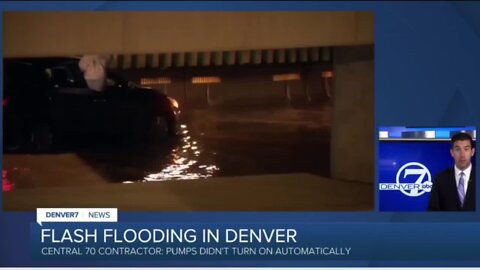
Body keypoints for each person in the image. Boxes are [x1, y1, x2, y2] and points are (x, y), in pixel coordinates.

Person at [428, 132, 476, 211]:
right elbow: (433, 211)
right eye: (458, 149)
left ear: (472, 152)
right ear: (452, 152)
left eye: (466, 149)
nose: (462, 154)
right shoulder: (440, 178)